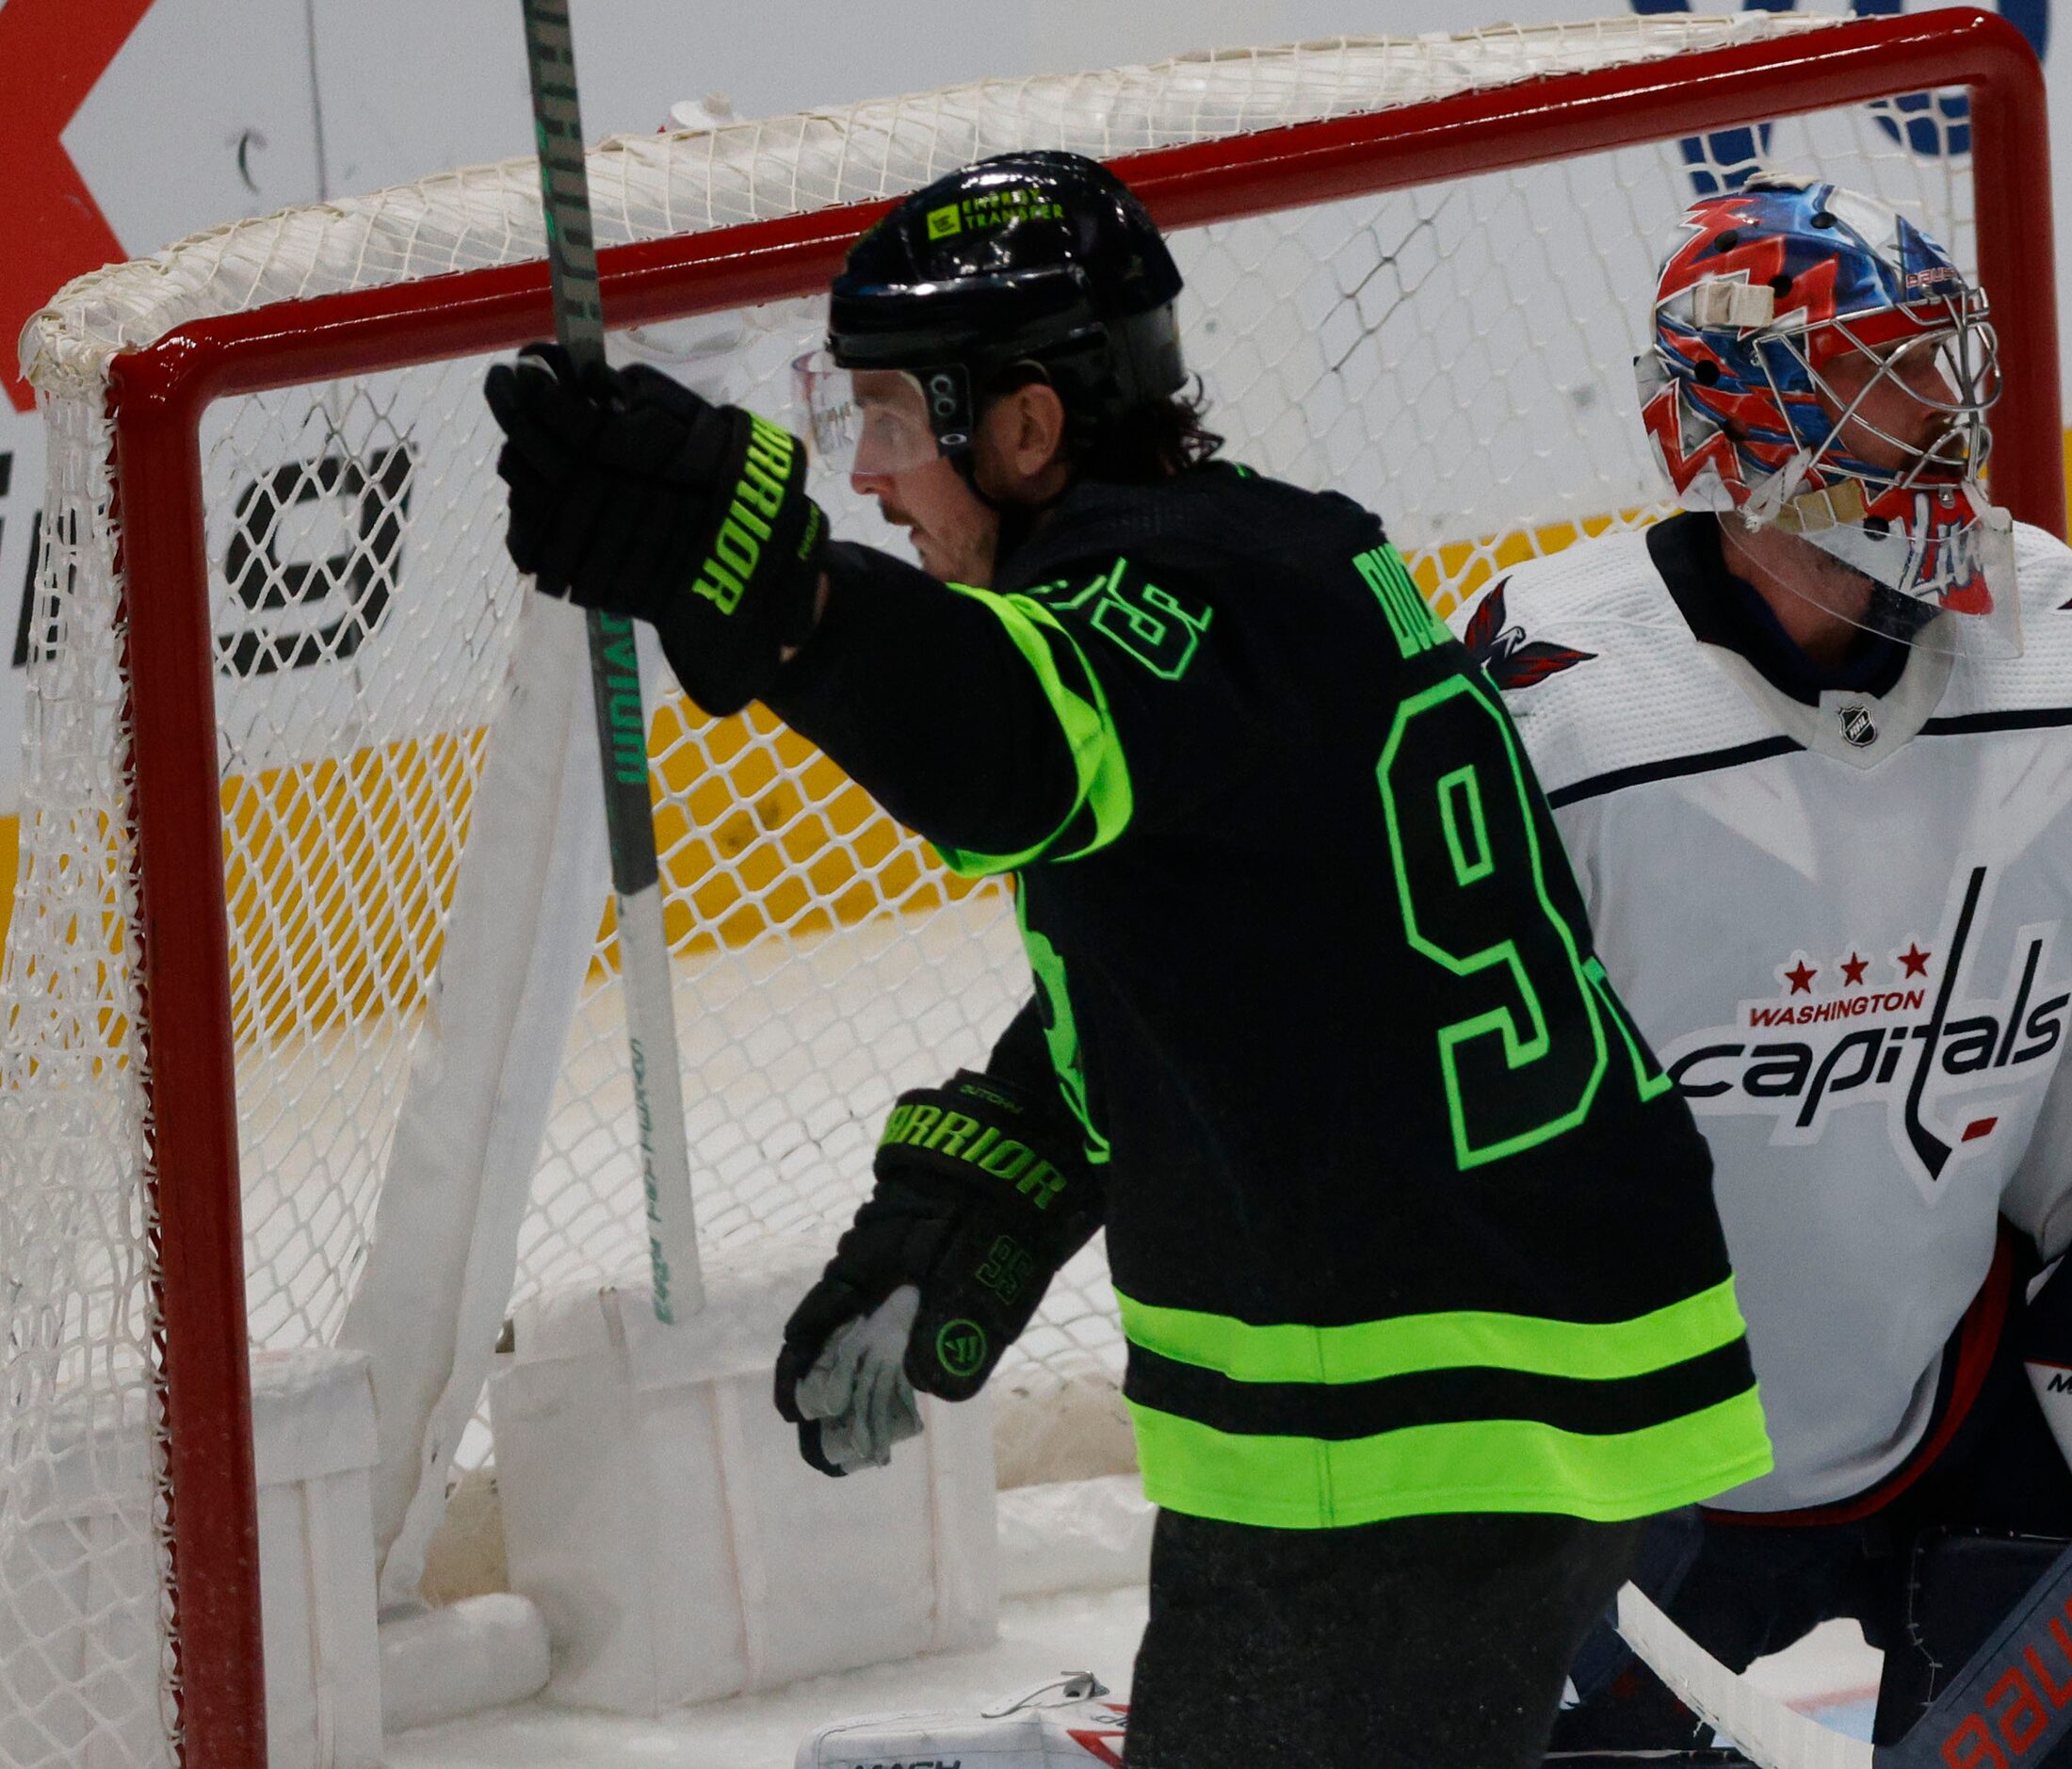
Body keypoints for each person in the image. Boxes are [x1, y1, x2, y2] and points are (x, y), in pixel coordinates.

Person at [484, 150, 1773, 1769]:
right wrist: (1001, 1173)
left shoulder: (1162, 599)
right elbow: (1249, 960)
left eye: (891, 419)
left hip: (1415, 1419)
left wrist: (771, 584)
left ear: (1023, 428)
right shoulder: (1264, 557)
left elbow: (997, 737)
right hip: (1488, 1364)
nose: (873, 472)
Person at [1437, 176, 2072, 1758]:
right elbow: (1437, 1128)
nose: (1937, 414)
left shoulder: (2065, 649)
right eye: (1877, 374)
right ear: (1725, 428)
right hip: (1631, 1462)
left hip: (1966, 1393)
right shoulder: (1554, 705)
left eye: (1939, 364)